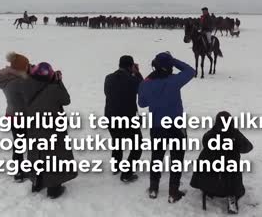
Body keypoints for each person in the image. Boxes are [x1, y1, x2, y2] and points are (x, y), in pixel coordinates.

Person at [138, 52, 195, 203]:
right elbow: (191, 71)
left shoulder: (146, 83)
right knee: (177, 158)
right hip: (176, 126)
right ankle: (173, 192)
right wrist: (173, 60)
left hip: (157, 126)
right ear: (169, 67)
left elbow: (142, 104)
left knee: (156, 157)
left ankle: (153, 189)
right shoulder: (174, 80)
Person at [22, 62, 77, 199]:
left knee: (36, 154)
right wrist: (59, 82)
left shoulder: (27, 85)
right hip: (51, 127)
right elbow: (66, 100)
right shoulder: (53, 89)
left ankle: (37, 183)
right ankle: (53, 188)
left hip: (33, 125)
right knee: (54, 155)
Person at [190, 111, 253, 214]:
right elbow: (248, 147)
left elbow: (205, 142)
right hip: (228, 187)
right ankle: (232, 198)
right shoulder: (235, 135)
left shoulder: (209, 135)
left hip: (207, 185)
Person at [104, 55, 144, 183]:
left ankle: (116, 167)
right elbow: (143, 88)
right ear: (131, 66)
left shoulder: (108, 78)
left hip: (110, 117)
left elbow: (107, 92)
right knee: (137, 146)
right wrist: (137, 73)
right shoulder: (133, 80)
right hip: (128, 118)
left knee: (117, 141)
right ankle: (127, 173)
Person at [0, 52, 30, 182]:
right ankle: (25, 170)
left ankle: (18, 172)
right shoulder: (20, 82)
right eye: (26, 66)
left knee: (18, 144)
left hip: (12, 115)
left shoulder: (7, 78)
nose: (28, 67)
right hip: (23, 117)